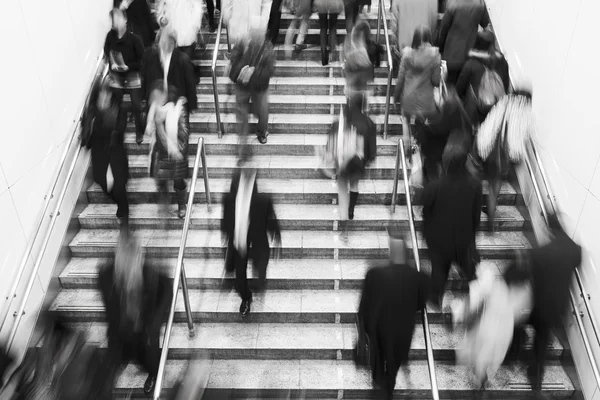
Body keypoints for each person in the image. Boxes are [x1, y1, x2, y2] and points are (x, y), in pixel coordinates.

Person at [98, 228, 173, 395]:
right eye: (123, 264)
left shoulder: (153, 275)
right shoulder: (105, 275)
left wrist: (155, 322)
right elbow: (109, 305)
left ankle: (153, 375)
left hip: (144, 332)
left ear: (139, 257)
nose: (127, 270)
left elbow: (168, 290)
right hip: (119, 333)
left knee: (150, 362)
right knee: (107, 373)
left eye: (132, 263)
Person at [357, 232, 429, 399]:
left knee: (377, 361)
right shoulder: (419, 278)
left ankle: (379, 385)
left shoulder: (374, 274)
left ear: (391, 253)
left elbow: (364, 305)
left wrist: (361, 328)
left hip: (377, 330)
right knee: (392, 368)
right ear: (407, 253)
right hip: (401, 334)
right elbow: (420, 304)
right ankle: (387, 389)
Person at [141, 28, 197, 218]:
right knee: (160, 159)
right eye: (159, 40)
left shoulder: (182, 60)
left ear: (172, 42)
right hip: (158, 107)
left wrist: (187, 109)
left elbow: (190, 85)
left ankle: (181, 201)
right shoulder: (151, 57)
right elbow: (146, 80)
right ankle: (163, 197)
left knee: (178, 162)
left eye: (163, 40)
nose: (160, 43)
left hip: (176, 110)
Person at [422, 130, 482, 306]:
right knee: (468, 267)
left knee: (439, 270)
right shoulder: (475, 185)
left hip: (438, 239)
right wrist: (472, 237)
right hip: (462, 238)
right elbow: (476, 215)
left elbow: (425, 205)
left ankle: (435, 298)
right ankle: (478, 296)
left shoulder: (436, 185)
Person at [451, 260, 532, 388]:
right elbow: (520, 315)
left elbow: (478, 297)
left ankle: (479, 373)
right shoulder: (523, 293)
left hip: (487, 325)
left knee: (481, 350)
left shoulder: (497, 286)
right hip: (505, 329)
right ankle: (482, 373)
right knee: (495, 354)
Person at [523, 214, 581, 392]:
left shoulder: (539, 254)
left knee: (525, 327)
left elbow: (529, 278)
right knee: (541, 339)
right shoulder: (575, 250)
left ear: (549, 230)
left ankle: (519, 356)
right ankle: (535, 377)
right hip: (558, 307)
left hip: (540, 304)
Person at [221, 166, 282, 316]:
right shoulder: (229, 200)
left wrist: (276, 236)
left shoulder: (262, 201)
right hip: (239, 242)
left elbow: (270, 221)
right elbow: (226, 221)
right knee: (240, 276)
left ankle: (259, 280)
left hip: (257, 240)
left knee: (259, 269)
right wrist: (228, 238)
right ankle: (246, 298)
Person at [475, 90, 534, 227]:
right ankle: (491, 213)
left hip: (491, 150)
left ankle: (478, 208)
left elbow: (489, 124)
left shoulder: (504, 104)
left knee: (482, 180)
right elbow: (525, 137)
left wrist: (481, 144)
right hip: (508, 156)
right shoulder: (527, 114)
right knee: (495, 185)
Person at [82, 78, 130, 223]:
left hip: (115, 151)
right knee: (102, 183)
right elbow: (87, 133)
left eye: (106, 95)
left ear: (111, 96)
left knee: (119, 185)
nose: (104, 98)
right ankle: (120, 202)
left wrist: (102, 119)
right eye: (101, 95)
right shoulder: (92, 111)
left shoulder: (119, 109)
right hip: (99, 153)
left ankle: (123, 210)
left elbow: (120, 129)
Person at [393, 26, 441, 153]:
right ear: (429, 38)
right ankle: (418, 150)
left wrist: (396, 96)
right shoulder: (435, 57)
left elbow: (401, 79)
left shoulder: (407, 55)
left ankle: (407, 148)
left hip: (409, 97)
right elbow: (436, 81)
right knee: (421, 124)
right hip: (426, 100)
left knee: (405, 119)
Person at [105, 7, 146, 145]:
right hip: (117, 74)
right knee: (116, 100)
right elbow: (107, 52)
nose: (115, 22)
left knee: (136, 103)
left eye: (118, 19)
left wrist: (129, 66)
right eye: (114, 20)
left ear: (125, 19)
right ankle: (118, 131)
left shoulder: (134, 39)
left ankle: (139, 130)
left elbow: (142, 60)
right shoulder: (110, 37)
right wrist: (112, 63)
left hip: (132, 73)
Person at [229, 30, 276, 145]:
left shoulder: (267, 48)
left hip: (259, 85)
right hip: (242, 85)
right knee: (242, 114)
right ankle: (242, 143)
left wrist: (253, 72)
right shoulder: (242, 42)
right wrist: (243, 69)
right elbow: (234, 60)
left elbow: (269, 70)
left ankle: (261, 131)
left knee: (262, 110)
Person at [456, 30, 509, 127]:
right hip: (495, 113)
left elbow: (460, 88)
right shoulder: (502, 62)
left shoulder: (471, 64)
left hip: (475, 112)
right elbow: (505, 85)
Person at [437, 0, 489, 85]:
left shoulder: (453, 4)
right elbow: (485, 23)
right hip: (469, 54)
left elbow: (443, 29)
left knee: (449, 84)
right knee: (463, 85)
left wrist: (440, 48)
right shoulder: (480, 4)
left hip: (451, 53)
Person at [156, 0, 204, 82]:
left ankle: (189, 82)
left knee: (185, 62)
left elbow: (198, 9)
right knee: (176, 65)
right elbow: (161, 10)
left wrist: (194, 26)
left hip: (187, 33)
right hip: (171, 35)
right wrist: (161, 19)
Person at [342, 18, 381, 111]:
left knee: (351, 112)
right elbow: (373, 68)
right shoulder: (372, 48)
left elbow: (345, 69)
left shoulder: (349, 44)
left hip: (351, 87)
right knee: (362, 112)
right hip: (363, 88)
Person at [389, 0, 437, 74]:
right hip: (424, 41)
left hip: (404, 44)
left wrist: (393, 39)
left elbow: (394, 22)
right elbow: (433, 22)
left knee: (406, 74)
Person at [314, 0, 344, 65]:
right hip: (334, 3)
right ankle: (331, 53)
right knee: (333, 28)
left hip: (321, 3)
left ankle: (323, 55)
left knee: (323, 28)